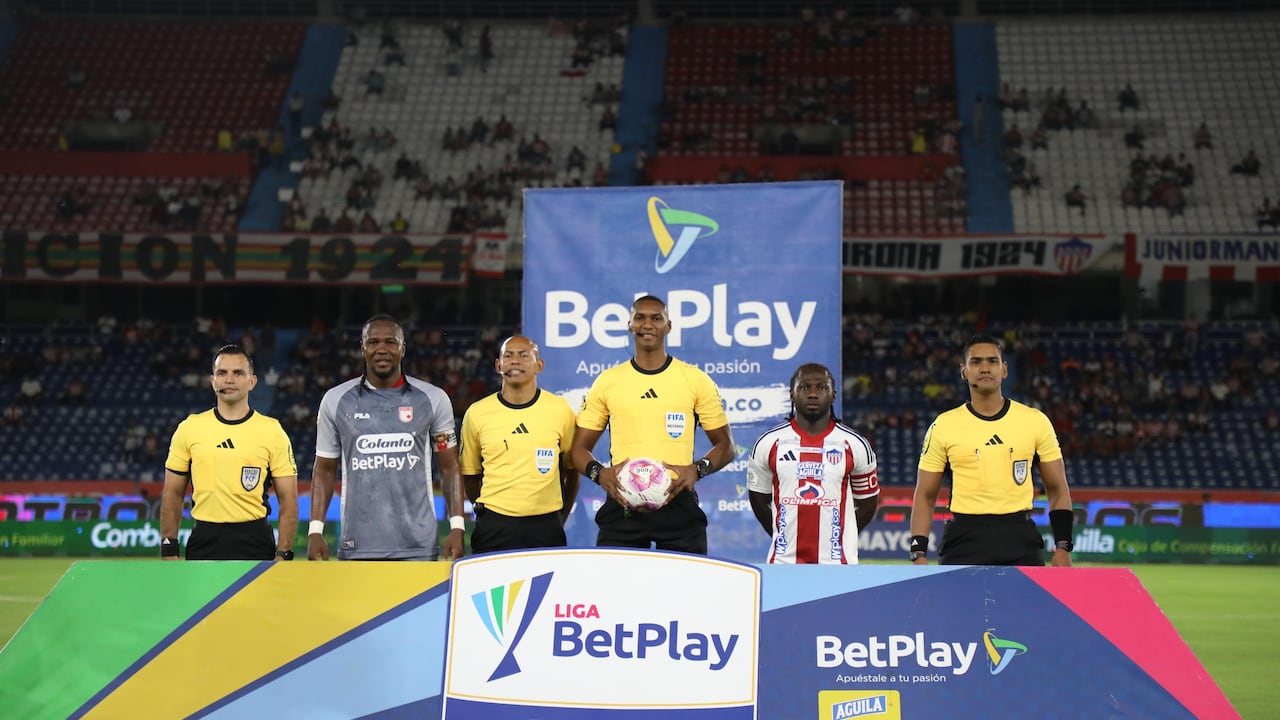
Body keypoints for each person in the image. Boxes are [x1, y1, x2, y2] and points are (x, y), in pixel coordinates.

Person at [570, 295, 735, 555]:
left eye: (656, 318)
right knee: (613, 591)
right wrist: (600, 474)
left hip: (677, 500)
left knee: (688, 591)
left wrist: (696, 470)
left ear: (668, 326)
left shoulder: (694, 379)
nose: (648, 324)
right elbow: (579, 449)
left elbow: (726, 446)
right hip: (623, 501)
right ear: (630, 325)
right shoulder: (608, 382)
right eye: (640, 318)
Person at [308, 315, 465, 561]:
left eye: (391, 342)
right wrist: (315, 530)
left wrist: (457, 526)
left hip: (418, 546)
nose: (382, 349)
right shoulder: (335, 400)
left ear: (403, 349)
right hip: (357, 544)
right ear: (362, 348)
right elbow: (325, 469)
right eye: (373, 342)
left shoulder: (433, 399)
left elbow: (450, 466)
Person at [909, 334, 1074, 567]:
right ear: (963, 371)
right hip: (963, 542)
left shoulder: (1035, 421)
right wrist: (918, 553)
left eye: (992, 361)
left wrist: (1063, 547)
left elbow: (1058, 489)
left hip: (1021, 541)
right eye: (976, 362)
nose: (985, 368)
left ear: (1004, 369)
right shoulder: (943, 426)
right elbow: (925, 495)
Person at [160, 344, 299, 561]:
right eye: (222, 373)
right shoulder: (189, 428)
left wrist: (284, 553)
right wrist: (168, 548)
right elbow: (172, 494)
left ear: (252, 382)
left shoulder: (272, 431)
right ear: (212, 381)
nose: (229, 379)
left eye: (238, 373)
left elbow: (288, 500)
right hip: (203, 542)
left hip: (256, 543)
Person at [747, 363, 880, 564]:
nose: (813, 394)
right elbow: (758, 499)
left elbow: (868, 503)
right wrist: (782, 534)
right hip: (784, 565)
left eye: (821, 388)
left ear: (833, 395)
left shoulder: (855, 445)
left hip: (838, 565)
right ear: (792, 394)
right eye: (805, 387)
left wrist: (842, 535)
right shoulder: (768, 442)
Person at [460, 335, 579, 553]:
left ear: (539, 366)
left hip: (546, 526)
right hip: (494, 526)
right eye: (508, 355)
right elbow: (470, 475)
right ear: (498, 365)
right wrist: (491, 511)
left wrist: (558, 516)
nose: (515, 361)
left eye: (524, 355)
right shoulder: (477, 413)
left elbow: (572, 472)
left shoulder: (560, 410)